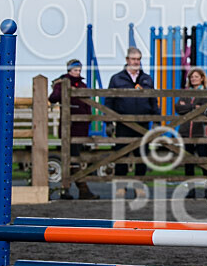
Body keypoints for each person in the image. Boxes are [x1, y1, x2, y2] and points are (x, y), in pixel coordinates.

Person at [48, 59, 99, 199]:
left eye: (79, 70)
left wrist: (88, 120)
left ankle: (72, 189)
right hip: (68, 126)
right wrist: (60, 88)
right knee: (70, 158)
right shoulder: (63, 83)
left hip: (81, 126)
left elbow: (88, 105)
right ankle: (76, 189)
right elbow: (53, 98)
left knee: (74, 158)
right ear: (69, 70)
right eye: (75, 70)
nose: (77, 72)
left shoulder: (82, 85)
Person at [105, 47, 158, 177]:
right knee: (121, 155)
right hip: (124, 124)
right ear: (127, 59)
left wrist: (156, 121)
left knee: (142, 156)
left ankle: (139, 187)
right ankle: (120, 188)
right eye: (133, 59)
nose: (136, 62)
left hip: (143, 123)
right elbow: (109, 102)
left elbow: (153, 101)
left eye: (138, 59)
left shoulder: (147, 79)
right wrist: (108, 122)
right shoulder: (116, 79)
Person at [174, 67, 207, 179]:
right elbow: (178, 108)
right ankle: (189, 186)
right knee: (188, 161)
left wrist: (187, 106)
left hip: (200, 131)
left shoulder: (206, 93)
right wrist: (194, 107)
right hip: (185, 131)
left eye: (196, 77)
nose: (193, 79)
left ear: (202, 78)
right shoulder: (185, 92)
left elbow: (206, 110)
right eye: (191, 77)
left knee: (203, 159)